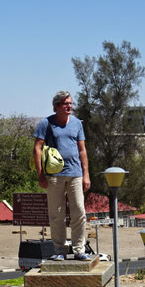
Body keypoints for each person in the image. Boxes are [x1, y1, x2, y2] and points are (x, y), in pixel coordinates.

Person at [33, 91, 91, 261]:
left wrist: (86, 174)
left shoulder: (77, 124)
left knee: (79, 211)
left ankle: (79, 249)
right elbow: (37, 148)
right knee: (57, 214)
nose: (69, 107)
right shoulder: (46, 123)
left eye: (71, 103)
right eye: (66, 104)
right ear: (57, 105)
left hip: (75, 174)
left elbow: (82, 149)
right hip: (54, 175)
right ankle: (59, 250)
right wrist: (40, 174)